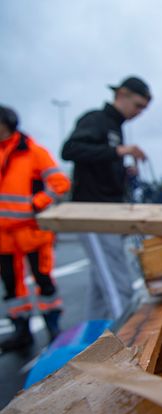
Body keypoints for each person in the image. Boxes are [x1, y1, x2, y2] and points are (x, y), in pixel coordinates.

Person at [61, 76, 150, 320]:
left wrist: (123, 169)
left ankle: (93, 333)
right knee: (117, 283)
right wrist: (119, 151)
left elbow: (101, 162)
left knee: (102, 283)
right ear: (121, 94)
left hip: (109, 210)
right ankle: (128, 344)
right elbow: (70, 150)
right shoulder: (95, 120)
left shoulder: (116, 127)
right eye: (138, 105)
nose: (139, 112)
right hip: (92, 212)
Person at [0, 105, 70, 351]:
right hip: (4, 234)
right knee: (11, 285)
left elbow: (59, 182)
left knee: (43, 279)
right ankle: (21, 332)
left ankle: (53, 328)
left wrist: (37, 202)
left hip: (31, 229)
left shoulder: (32, 152)